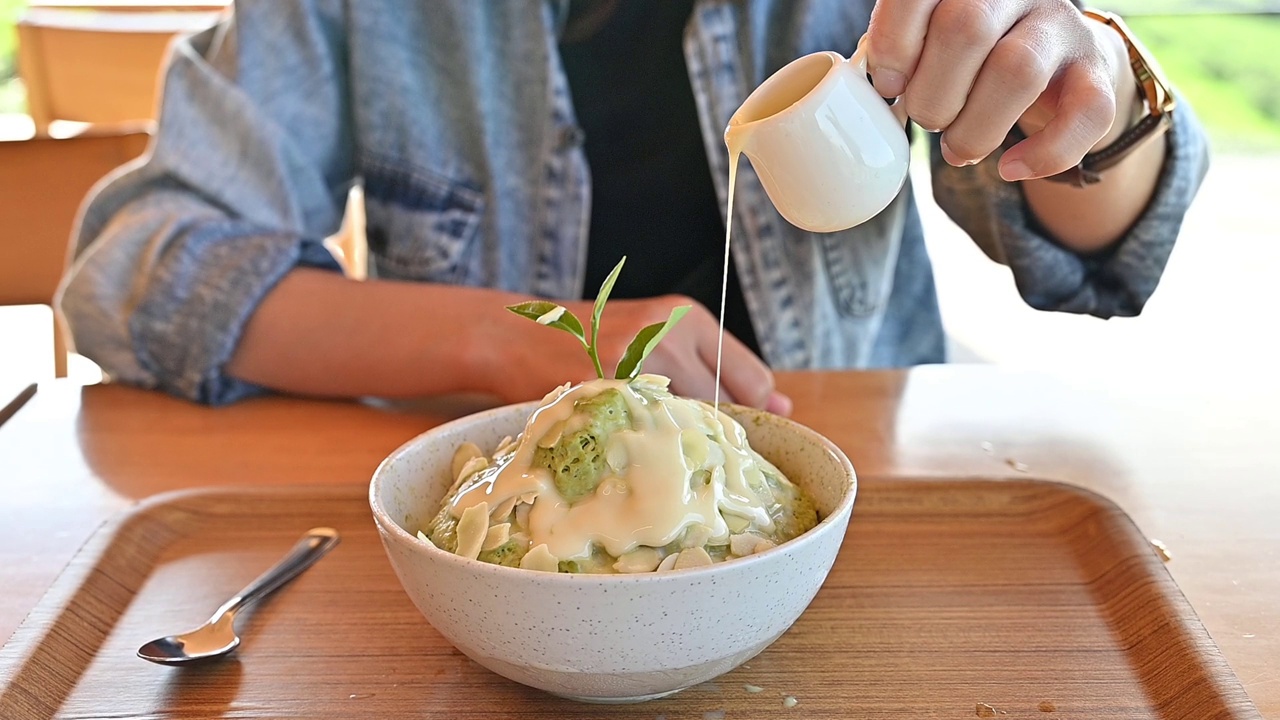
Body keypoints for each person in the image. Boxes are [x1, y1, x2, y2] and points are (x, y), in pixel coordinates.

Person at [57, 0, 1208, 412]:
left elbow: (1092, 252)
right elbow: (140, 263)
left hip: (850, 488)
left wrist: (1092, 96)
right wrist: (505, 339)